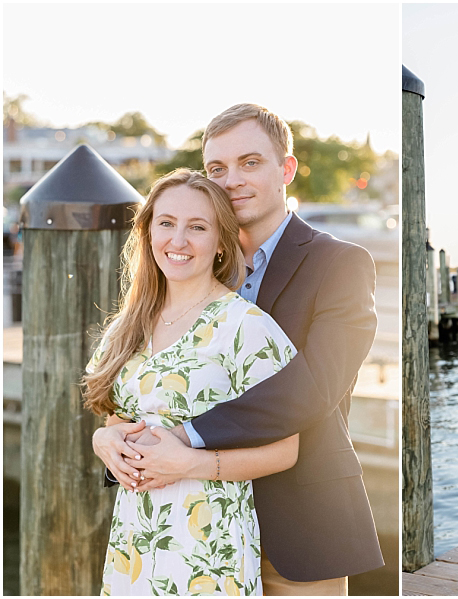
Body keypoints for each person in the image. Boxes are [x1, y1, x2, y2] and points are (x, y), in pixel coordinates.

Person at [92, 103, 383, 595]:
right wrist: (108, 438)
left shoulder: (340, 264)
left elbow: (311, 391)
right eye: (217, 169)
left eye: (250, 163)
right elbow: (147, 391)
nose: (232, 181)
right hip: (187, 528)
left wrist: (185, 440)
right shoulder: (184, 272)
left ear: (286, 169)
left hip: (300, 528)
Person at [84, 169, 299, 595]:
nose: (177, 241)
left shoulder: (247, 327)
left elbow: (286, 450)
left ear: (221, 241)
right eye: (166, 223)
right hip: (135, 541)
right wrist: (102, 442)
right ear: (147, 233)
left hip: (209, 546)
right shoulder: (126, 326)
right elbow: (116, 420)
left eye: (197, 227)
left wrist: (190, 464)